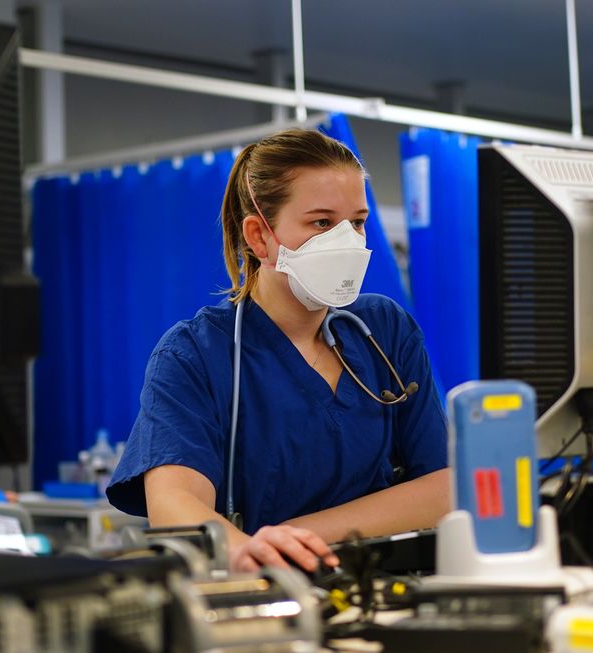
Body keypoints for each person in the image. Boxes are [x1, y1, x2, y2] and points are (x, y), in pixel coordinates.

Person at [107, 128, 450, 573]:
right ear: (259, 236)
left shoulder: (384, 330)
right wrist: (253, 552)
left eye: (358, 222)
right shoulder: (196, 354)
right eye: (322, 223)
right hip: (267, 596)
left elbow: (444, 488)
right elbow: (175, 505)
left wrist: (297, 537)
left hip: (384, 587)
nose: (347, 241)